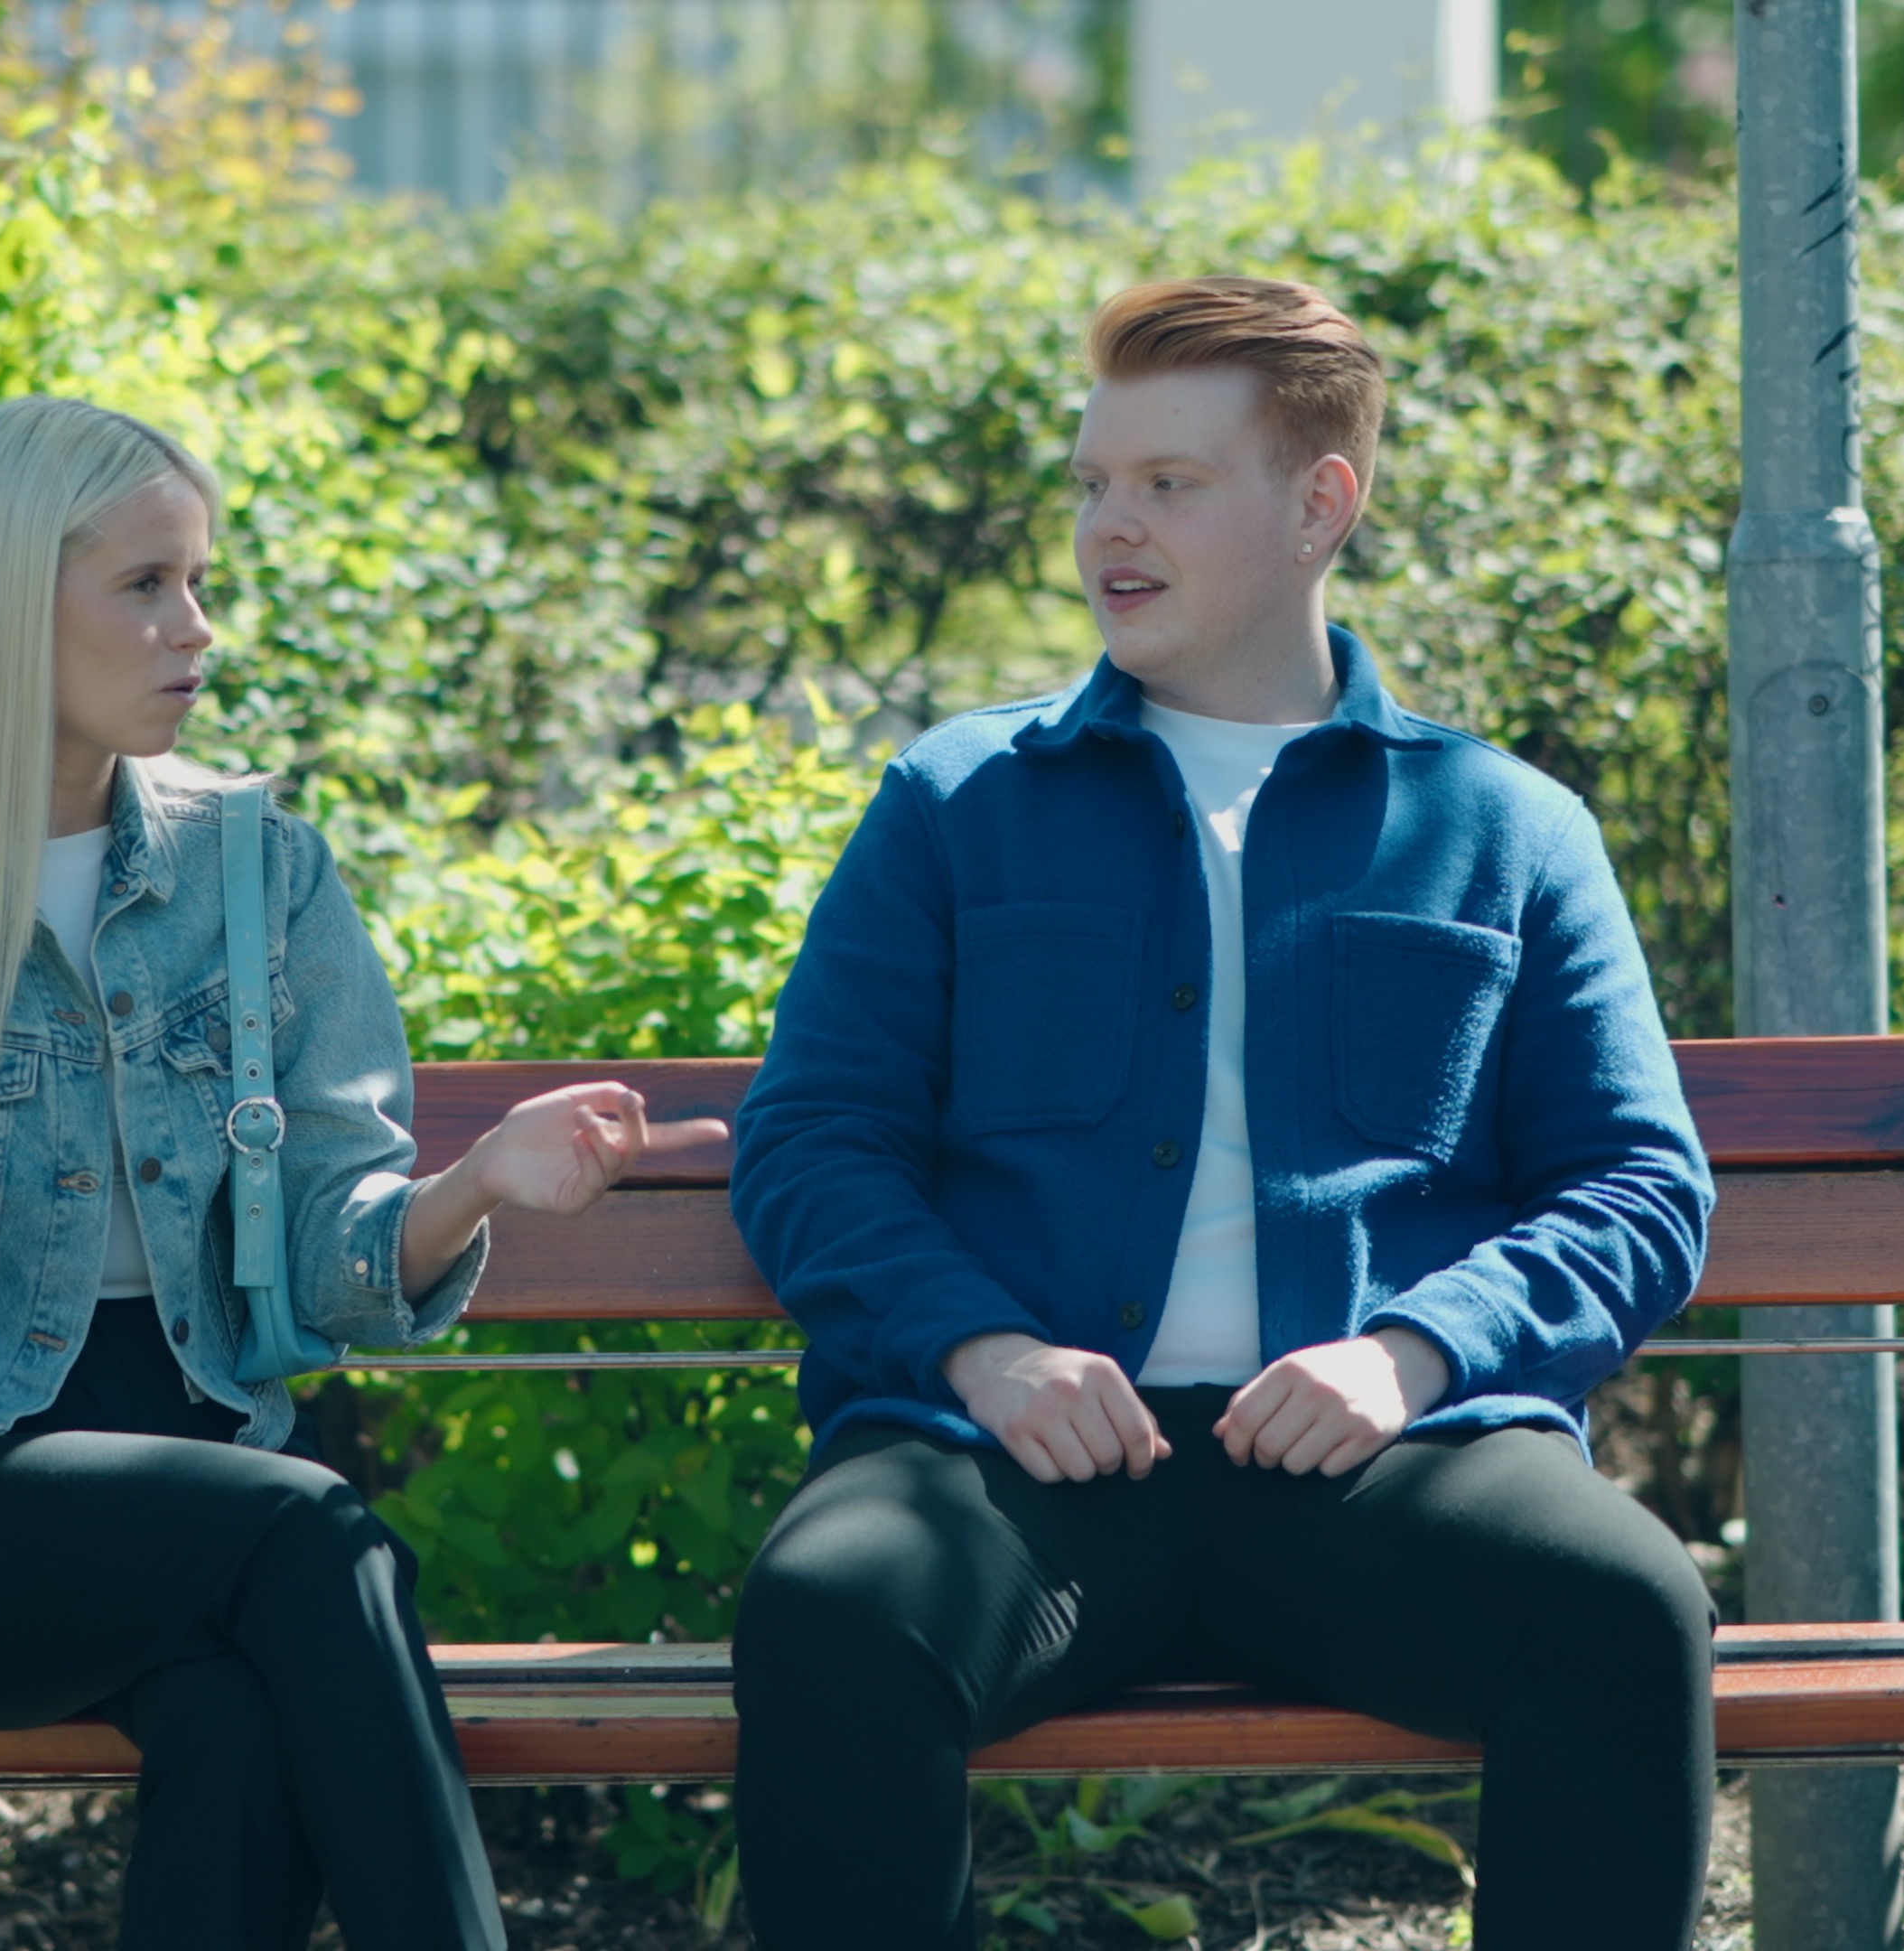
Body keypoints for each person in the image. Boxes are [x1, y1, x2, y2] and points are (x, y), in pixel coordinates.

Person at [723, 278, 1720, 1950]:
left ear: (1322, 502)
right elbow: (815, 1140)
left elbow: (1636, 1184)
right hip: (1018, 1468)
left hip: (1381, 1471)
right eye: (1094, 484)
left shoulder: (1504, 824)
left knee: (1624, 1605)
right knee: (835, 1604)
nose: (1111, 527)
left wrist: (1412, 1355)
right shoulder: (960, 803)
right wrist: (986, 1352)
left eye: (1168, 484)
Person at [0, 397, 716, 1951]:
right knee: (311, 1532)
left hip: (202, 1504)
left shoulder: (261, 873)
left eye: (199, 583)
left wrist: (478, 1185)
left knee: (238, 1717)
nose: (198, 630)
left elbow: (324, 1246)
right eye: (146, 584)